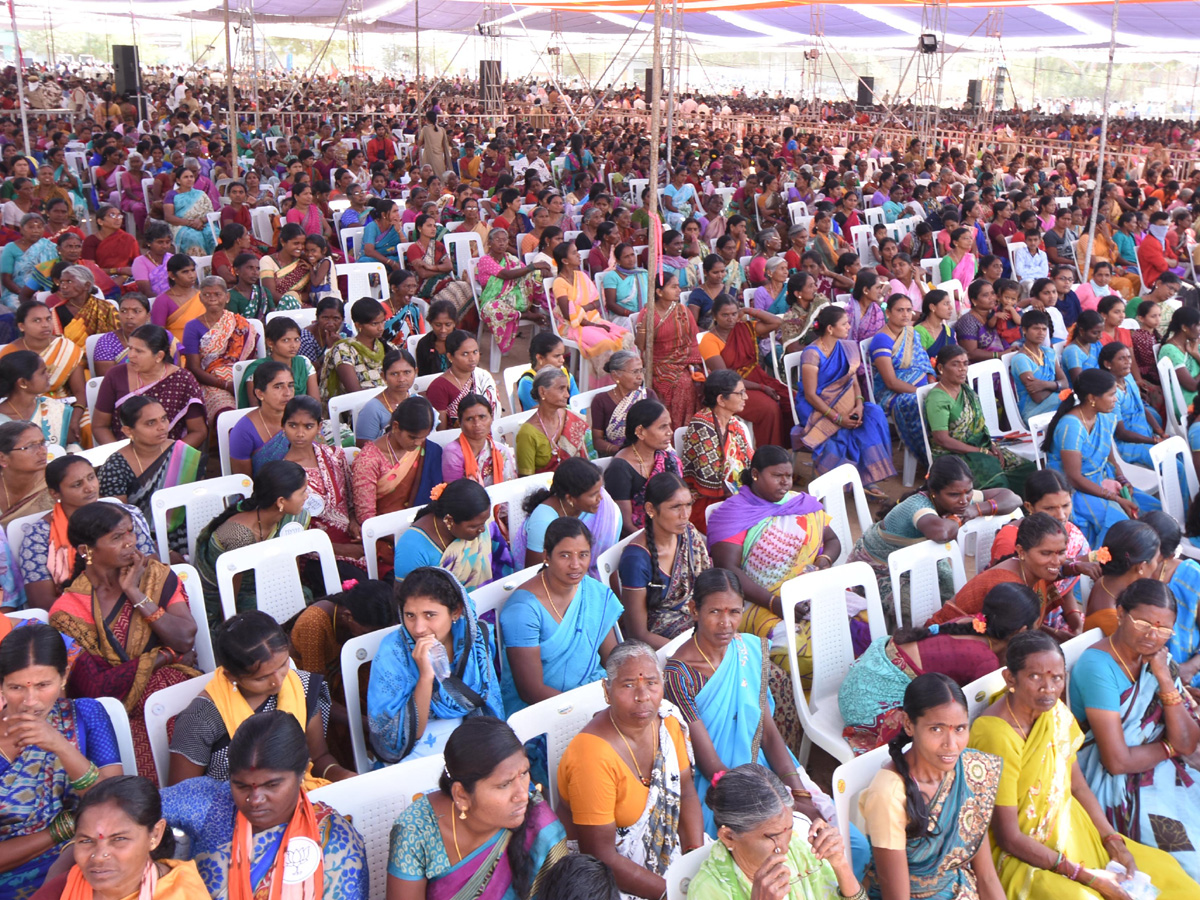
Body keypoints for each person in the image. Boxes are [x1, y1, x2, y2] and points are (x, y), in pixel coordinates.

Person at [968, 631, 1200, 900]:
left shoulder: (1054, 712)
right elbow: (1009, 837)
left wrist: (1112, 840)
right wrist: (1088, 877)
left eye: (1056, 677)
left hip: (1072, 832)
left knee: (1167, 872)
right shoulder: (995, 734)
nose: (1048, 688)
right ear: (1010, 678)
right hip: (1024, 856)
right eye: (1035, 677)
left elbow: (1077, 785)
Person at [663, 570, 837, 834]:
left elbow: (767, 734)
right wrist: (774, 803)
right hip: (723, 787)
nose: (726, 623)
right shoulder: (680, 675)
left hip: (765, 767)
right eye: (715, 612)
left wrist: (798, 794)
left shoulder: (748, 651)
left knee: (848, 840)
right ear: (694, 610)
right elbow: (711, 767)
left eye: (734, 612)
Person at [47, 501, 200, 783]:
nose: (130, 542)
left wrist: (134, 592)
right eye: (117, 537)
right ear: (85, 551)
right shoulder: (68, 611)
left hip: (178, 690)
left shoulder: (155, 577)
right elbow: (93, 686)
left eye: (130, 532)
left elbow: (185, 636)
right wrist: (165, 656)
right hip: (119, 712)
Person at [1070, 577, 1200, 880]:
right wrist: (1169, 747)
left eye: (1163, 630)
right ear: (1120, 613)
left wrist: (1166, 680)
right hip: (1115, 784)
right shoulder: (1098, 666)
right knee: (1189, 861)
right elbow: (1117, 761)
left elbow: (1189, 741)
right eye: (1142, 624)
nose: (1153, 636)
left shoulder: (1160, 662)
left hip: (1161, 768)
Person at [161, 711, 367, 899]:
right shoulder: (211, 803)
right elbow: (136, 809)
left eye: (272, 785)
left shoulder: (335, 841)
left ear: (303, 770)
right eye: (241, 786)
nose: (255, 799)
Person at [556, 640, 704, 900]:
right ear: (607, 690)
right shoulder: (591, 756)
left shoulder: (668, 723)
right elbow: (600, 856)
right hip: (605, 879)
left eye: (651, 682)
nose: (643, 695)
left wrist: (695, 861)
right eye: (628, 685)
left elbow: (687, 792)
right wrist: (673, 893)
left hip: (669, 853)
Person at [841, 582, 1040, 755]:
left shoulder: (971, 623)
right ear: (1021, 631)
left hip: (857, 682)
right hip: (867, 707)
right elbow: (978, 714)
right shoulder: (985, 660)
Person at [0, 624, 123, 900]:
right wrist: (59, 831)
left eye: (43, 685)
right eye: (16, 687)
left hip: (90, 865)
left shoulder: (87, 716)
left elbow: (117, 809)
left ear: (64, 676)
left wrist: (59, 745)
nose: (30, 702)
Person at [385, 716, 569, 900]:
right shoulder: (416, 831)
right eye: (504, 785)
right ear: (461, 795)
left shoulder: (539, 824)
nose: (522, 795)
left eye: (524, 773)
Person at [858, 674, 1005, 900]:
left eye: (959, 729)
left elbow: (986, 875)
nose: (951, 744)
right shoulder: (888, 794)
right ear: (909, 724)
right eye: (936, 729)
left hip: (964, 890)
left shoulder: (970, 770)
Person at [168, 609, 350, 785]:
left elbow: (319, 758)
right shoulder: (202, 718)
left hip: (301, 795)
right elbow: (184, 794)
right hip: (234, 809)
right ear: (232, 676)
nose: (278, 681)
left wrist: (345, 776)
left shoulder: (300, 686)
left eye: (283, 665)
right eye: (262, 678)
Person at [849, 455, 1021, 624]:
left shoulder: (960, 496)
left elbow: (1013, 498)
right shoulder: (917, 506)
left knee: (957, 601)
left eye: (969, 491)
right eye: (954, 495)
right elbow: (942, 533)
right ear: (933, 492)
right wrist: (961, 516)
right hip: (878, 570)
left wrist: (975, 510)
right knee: (922, 612)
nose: (963, 500)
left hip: (918, 564)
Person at [367, 567, 503, 764]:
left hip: (469, 747)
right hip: (413, 758)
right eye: (410, 615)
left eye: (430, 615)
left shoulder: (474, 645)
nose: (418, 628)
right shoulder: (393, 652)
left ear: (455, 612)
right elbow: (394, 738)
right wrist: (425, 677)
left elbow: (489, 710)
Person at [688, 764, 863, 900]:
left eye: (789, 828)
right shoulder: (708, 890)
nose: (785, 847)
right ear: (728, 837)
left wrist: (841, 865)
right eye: (772, 836)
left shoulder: (799, 847)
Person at [500, 517, 622, 714]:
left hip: (594, 696)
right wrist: (585, 712)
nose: (576, 565)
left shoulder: (593, 592)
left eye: (583, 555)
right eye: (565, 556)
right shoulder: (523, 610)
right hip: (544, 713)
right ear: (546, 556)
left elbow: (614, 660)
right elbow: (531, 691)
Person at [32, 774, 210, 900]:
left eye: (119, 839)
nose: (99, 856)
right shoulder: (65, 887)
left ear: (155, 834)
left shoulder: (181, 894)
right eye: (86, 840)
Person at [1045, 367, 1160, 547]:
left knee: (1153, 510)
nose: (1116, 399)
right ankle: (1105, 566)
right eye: (1111, 394)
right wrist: (1114, 498)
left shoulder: (1104, 416)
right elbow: (1073, 478)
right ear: (1092, 398)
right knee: (1121, 523)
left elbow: (1110, 457)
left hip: (1101, 480)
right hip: (1073, 491)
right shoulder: (1072, 427)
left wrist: (1122, 480)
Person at [193, 460, 311, 625]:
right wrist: (229, 627)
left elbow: (292, 565)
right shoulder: (238, 535)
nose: (307, 496)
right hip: (230, 597)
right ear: (281, 502)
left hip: (266, 585)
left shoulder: (295, 519)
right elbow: (229, 596)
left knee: (302, 596)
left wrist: (292, 593)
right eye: (303, 492)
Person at [796, 306, 897, 491]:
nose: (849, 327)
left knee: (872, 413)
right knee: (841, 432)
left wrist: (859, 404)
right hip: (816, 407)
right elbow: (810, 394)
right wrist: (837, 418)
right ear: (830, 329)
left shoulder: (846, 347)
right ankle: (851, 482)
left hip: (847, 400)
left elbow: (853, 379)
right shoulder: (812, 353)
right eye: (844, 324)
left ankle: (866, 478)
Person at [253, 395, 363, 562]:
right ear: (283, 426)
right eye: (293, 425)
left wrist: (354, 522)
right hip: (311, 551)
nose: (300, 433)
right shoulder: (281, 474)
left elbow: (350, 499)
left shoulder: (335, 456)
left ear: (319, 427)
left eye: (308, 426)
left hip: (350, 536)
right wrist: (340, 549)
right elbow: (285, 528)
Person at [932, 512, 1081, 634]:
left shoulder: (1032, 570)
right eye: (1046, 553)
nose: (1056, 561)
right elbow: (1006, 639)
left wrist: (1054, 634)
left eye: (1061, 552)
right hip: (948, 640)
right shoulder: (1007, 585)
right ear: (1021, 551)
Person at [97, 396, 202, 559]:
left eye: (164, 419)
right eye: (151, 423)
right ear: (128, 431)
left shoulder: (181, 453)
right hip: (143, 540)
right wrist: (159, 551)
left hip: (191, 530)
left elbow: (199, 503)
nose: (162, 427)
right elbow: (119, 524)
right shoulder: (115, 467)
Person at [926, 345, 1035, 494]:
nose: (962, 369)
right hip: (953, 455)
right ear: (941, 368)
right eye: (955, 364)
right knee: (995, 476)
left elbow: (980, 426)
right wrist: (981, 451)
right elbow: (942, 439)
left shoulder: (966, 390)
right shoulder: (937, 398)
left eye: (965, 364)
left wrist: (991, 447)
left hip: (979, 447)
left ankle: (1025, 509)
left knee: (1027, 470)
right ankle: (1003, 511)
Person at [989, 469, 1100, 605]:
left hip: (1055, 613)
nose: (1061, 515)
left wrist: (1073, 616)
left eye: (1065, 505)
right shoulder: (1011, 540)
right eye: (1049, 508)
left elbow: (1064, 586)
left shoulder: (1070, 532)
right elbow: (1008, 602)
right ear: (1029, 507)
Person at [698, 296, 790, 448]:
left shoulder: (745, 328)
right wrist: (761, 388)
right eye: (725, 315)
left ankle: (786, 448)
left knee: (790, 398)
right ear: (715, 316)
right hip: (731, 390)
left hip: (757, 378)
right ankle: (767, 456)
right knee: (769, 408)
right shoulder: (709, 340)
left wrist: (748, 310)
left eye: (734, 314)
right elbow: (726, 378)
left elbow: (777, 322)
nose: (730, 319)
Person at [393, 477, 508, 589]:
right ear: (449, 520)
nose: (483, 530)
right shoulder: (412, 548)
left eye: (483, 523)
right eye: (474, 526)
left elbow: (500, 563)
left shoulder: (481, 520)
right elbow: (406, 597)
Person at [351, 397, 441, 531]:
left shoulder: (429, 450)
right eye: (412, 437)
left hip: (425, 525)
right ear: (396, 427)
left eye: (423, 437)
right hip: (385, 531)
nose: (418, 443)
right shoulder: (368, 460)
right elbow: (367, 518)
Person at [681, 369, 755, 533]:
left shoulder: (734, 423)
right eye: (740, 393)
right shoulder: (702, 425)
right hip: (708, 501)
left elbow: (750, 461)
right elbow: (708, 480)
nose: (746, 397)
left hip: (735, 494)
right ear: (721, 399)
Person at [552, 242, 635, 385]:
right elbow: (567, 314)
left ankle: (625, 380)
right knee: (606, 344)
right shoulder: (559, 282)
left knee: (626, 337)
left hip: (592, 320)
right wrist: (589, 320)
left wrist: (580, 308)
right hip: (573, 326)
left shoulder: (581, 276)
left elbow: (597, 302)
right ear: (564, 261)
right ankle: (604, 386)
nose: (578, 255)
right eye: (574, 253)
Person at [519, 457, 620, 573]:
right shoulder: (543, 522)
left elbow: (608, 563)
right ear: (570, 498)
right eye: (593, 495)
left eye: (600, 491)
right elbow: (536, 573)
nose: (600, 498)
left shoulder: (597, 510)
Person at [2, 303, 87, 440]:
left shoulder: (67, 348)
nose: (45, 325)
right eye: (37, 320)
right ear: (21, 326)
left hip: (63, 405)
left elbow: (80, 391)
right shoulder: (9, 354)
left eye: (48, 319)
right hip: (22, 408)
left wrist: (74, 418)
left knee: (86, 426)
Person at [870, 293, 937, 461]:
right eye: (900, 310)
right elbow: (891, 382)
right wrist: (922, 392)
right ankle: (928, 456)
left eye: (909, 310)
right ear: (888, 313)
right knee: (918, 403)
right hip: (892, 393)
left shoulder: (911, 333)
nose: (906, 314)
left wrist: (931, 385)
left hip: (918, 386)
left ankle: (947, 450)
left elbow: (923, 363)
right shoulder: (881, 340)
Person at [180, 276, 253, 427]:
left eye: (217, 294)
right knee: (226, 412)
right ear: (200, 298)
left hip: (241, 378)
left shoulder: (239, 323)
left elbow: (251, 360)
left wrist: (240, 382)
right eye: (207, 295)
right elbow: (194, 368)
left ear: (227, 297)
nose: (212, 298)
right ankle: (224, 450)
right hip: (210, 382)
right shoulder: (192, 327)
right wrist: (225, 385)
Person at [477, 227, 548, 355]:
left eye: (504, 240)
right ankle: (528, 315)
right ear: (489, 243)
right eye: (497, 240)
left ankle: (535, 309)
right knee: (494, 309)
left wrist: (539, 270)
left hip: (515, 299)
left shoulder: (511, 259)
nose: (501, 243)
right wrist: (533, 266)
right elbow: (507, 275)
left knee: (536, 274)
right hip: (494, 301)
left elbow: (525, 273)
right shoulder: (485, 260)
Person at [516, 368, 591, 477]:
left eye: (567, 389)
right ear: (542, 391)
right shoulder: (527, 433)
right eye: (561, 389)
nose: (567, 395)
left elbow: (585, 463)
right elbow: (526, 480)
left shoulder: (571, 418)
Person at [236, 314, 320, 407]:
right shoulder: (258, 369)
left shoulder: (304, 363)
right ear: (270, 342)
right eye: (286, 340)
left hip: (303, 418)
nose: (293, 345)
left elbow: (315, 404)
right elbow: (256, 408)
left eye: (296, 339)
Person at [227, 361, 294, 476]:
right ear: (259, 394)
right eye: (278, 387)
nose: (287, 393)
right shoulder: (244, 431)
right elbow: (244, 484)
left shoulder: (304, 418)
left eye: (291, 385)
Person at [0, 350, 77, 449]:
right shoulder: (2, 419)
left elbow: (71, 444)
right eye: (42, 372)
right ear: (23, 383)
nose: (48, 375)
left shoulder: (55, 409)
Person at [92, 294, 181, 378]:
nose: (129, 316)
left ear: (148, 316)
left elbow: (176, 372)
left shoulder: (164, 335)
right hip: (125, 392)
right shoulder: (107, 342)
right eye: (123, 311)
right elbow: (109, 381)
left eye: (136, 311)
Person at [425, 331, 500, 430]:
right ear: (450, 356)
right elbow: (441, 432)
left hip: (487, 437)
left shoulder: (483, 377)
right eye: (465, 354)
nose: (472, 358)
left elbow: (495, 415)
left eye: (475, 352)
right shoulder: (439, 387)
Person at [441, 392, 516, 487]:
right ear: (459, 423)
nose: (477, 424)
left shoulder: (501, 451)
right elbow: (455, 494)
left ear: (491, 418)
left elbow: (510, 488)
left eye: (482, 417)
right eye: (469, 419)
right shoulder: (453, 453)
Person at [321, 297, 389, 399]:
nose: (381, 328)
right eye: (375, 324)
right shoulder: (344, 350)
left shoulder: (388, 347)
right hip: (358, 406)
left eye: (383, 322)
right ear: (358, 325)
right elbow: (355, 393)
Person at [591, 350, 655, 457]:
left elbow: (658, 427)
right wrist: (621, 451)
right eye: (635, 372)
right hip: (617, 456)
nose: (640, 377)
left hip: (649, 452)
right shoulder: (601, 401)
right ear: (616, 376)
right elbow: (597, 441)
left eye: (641, 371)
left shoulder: (648, 395)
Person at [1010, 309, 1068, 420]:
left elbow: (1065, 383)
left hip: (1055, 402)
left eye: (1044, 329)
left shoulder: (1049, 352)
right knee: (1074, 403)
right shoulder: (1021, 359)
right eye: (1036, 328)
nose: (1041, 333)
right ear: (1024, 330)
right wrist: (1057, 386)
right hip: (1033, 411)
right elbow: (1037, 397)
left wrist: (1044, 385)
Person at [0, 421, 53, 527]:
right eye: (30, 446)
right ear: (3, 459)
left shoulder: (55, 483)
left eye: (42, 443)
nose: (43, 451)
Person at [514, 333, 580, 413]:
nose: (562, 360)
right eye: (557, 356)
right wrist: (570, 408)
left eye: (562, 355)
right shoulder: (528, 382)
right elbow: (543, 414)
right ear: (540, 358)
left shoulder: (567, 376)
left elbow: (580, 409)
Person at [147, 255, 203, 345]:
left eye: (193, 270)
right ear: (172, 275)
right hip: (179, 352)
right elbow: (159, 335)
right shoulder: (163, 301)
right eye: (185, 272)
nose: (192, 275)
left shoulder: (202, 295)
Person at [1158, 305, 1200, 424]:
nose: (1199, 329)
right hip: (1187, 401)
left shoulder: (1192, 345)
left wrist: (1196, 354)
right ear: (1185, 328)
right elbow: (1192, 386)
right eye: (1197, 325)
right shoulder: (1169, 350)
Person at [162, 167, 215, 254]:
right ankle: (196, 265)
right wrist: (190, 223)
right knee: (194, 238)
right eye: (186, 177)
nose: (189, 179)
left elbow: (210, 213)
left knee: (214, 235)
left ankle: (214, 264)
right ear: (178, 180)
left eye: (191, 176)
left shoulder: (200, 194)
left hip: (202, 224)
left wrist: (201, 221)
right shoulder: (171, 195)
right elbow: (169, 217)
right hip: (181, 225)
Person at [955, 280, 1010, 363]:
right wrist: (999, 355)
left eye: (992, 293)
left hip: (1002, 359)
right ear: (974, 301)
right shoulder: (968, 321)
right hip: (982, 368)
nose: (992, 298)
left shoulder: (995, 314)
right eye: (985, 295)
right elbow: (971, 353)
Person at [259, 223, 311, 311]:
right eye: (296, 243)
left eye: (303, 244)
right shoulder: (268, 260)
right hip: (278, 308)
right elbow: (270, 293)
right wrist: (291, 302)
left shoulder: (304, 263)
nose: (300, 247)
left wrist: (295, 297)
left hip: (300, 305)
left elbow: (309, 294)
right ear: (283, 242)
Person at [415, 299, 458, 376]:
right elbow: (423, 375)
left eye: (448, 325)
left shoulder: (463, 341)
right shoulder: (424, 344)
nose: (443, 330)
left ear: (454, 323)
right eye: (438, 325)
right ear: (430, 322)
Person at [1062, 310, 1105, 386]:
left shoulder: (1096, 344)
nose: (1100, 336)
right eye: (1095, 333)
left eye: (1101, 332)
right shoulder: (1073, 351)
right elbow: (1079, 383)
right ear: (1081, 331)